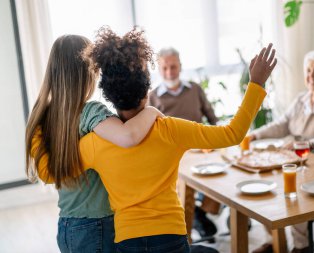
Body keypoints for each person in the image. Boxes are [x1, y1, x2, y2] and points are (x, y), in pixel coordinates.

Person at [29, 27, 277, 253]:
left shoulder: (94, 143)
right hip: (171, 235)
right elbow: (232, 133)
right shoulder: (169, 129)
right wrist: (256, 83)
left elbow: (58, 169)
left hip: (123, 239)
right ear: (148, 90)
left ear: (109, 96)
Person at [25, 34, 163, 253]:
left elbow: (46, 173)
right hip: (98, 225)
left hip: (67, 226)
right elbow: (127, 137)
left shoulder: (42, 115)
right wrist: (152, 112)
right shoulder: (91, 112)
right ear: (88, 72)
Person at [248, 50, 314, 253]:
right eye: (308, 70)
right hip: (303, 161)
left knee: (292, 188)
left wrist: (310, 145)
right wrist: (255, 135)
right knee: (266, 185)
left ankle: (302, 245)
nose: (311, 75)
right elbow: (282, 124)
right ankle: (273, 241)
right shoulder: (302, 99)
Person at [148, 47, 220, 239]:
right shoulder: (153, 97)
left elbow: (212, 118)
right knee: (185, 189)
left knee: (222, 179)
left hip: (201, 148)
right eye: (165, 68)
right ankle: (185, 237)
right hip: (173, 155)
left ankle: (201, 213)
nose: (169, 72)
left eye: (173, 67)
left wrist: (220, 140)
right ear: (159, 69)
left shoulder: (195, 89)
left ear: (180, 66)